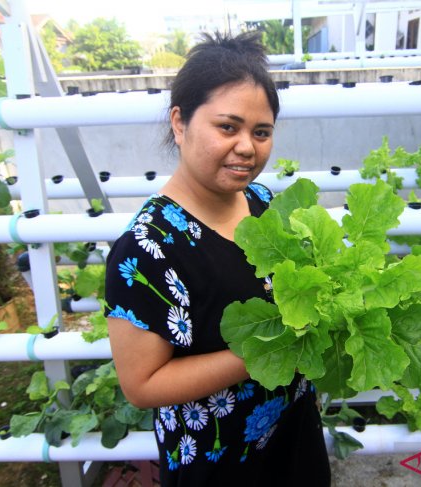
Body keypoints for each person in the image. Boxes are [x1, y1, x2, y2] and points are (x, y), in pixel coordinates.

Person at [104, 31, 331, 486]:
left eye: (261, 132)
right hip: (216, 460)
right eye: (228, 127)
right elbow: (142, 385)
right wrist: (267, 350)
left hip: (293, 434)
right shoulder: (147, 248)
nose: (248, 147)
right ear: (180, 122)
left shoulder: (264, 202)